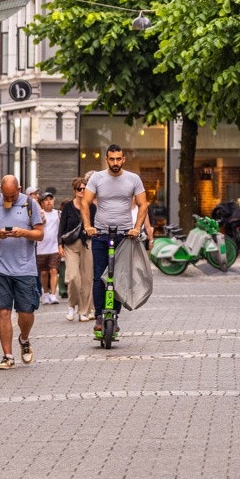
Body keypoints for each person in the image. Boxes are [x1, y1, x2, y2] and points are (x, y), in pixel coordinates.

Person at [79, 144, 148, 342]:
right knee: (99, 275)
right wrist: (88, 226)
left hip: (125, 235)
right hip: (100, 233)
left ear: (123, 159)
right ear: (106, 159)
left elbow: (143, 204)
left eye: (119, 159)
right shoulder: (97, 178)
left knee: (119, 277)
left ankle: (115, 315)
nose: (115, 163)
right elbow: (85, 203)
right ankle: (100, 315)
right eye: (112, 159)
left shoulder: (133, 179)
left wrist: (137, 228)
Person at [0, 175, 45, 369]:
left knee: (26, 312)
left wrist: (22, 232)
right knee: (3, 310)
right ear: (0, 189)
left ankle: (24, 339)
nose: (8, 200)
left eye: (12, 196)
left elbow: (40, 234)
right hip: (0, 267)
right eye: (5, 195)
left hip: (25, 268)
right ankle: (7, 356)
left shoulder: (30, 204)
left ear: (19, 189)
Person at [59, 177, 94, 322]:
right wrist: (59, 243)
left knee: (87, 279)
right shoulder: (68, 207)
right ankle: (71, 305)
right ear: (74, 191)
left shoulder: (92, 207)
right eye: (79, 189)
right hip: (70, 245)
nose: (82, 191)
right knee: (73, 277)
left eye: (85, 189)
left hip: (87, 244)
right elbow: (62, 226)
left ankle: (84, 310)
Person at [36, 191, 62, 306]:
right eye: (46, 200)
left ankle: (53, 294)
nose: (48, 202)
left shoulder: (58, 214)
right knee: (44, 273)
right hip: (41, 248)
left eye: (50, 199)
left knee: (54, 270)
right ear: (42, 202)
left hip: (54, 248)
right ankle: (45, 293)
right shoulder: (39, 214)